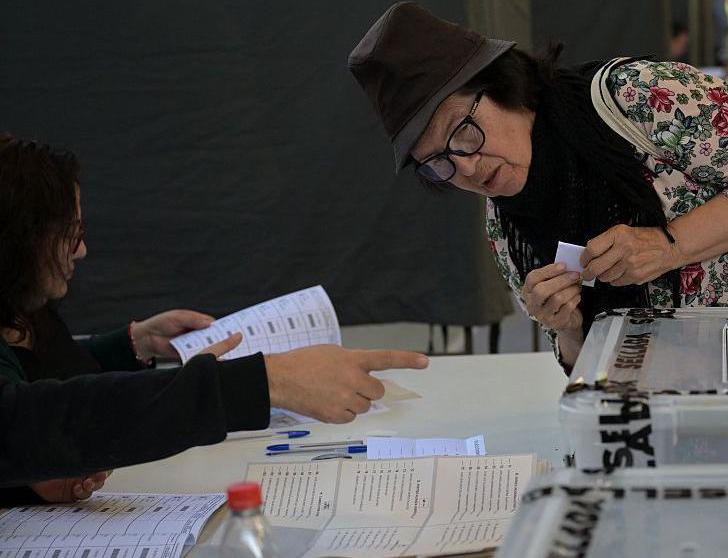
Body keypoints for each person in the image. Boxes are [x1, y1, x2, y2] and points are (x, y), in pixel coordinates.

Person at [349, 2, 728, 371]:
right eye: (436, 164)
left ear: (501, 84)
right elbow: (582, 372)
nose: (464, 167)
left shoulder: (634, 97)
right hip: (679, 408)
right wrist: (568, 329)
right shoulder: (506, 224)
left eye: (461, 132)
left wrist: (670, 245)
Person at [0, 135, 429, 503]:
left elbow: (45, 391)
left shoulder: (23, 309)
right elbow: (25, 420)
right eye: (70, 235)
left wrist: (132, 345)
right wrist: (266, 381)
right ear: (21, 241)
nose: (81, 251)